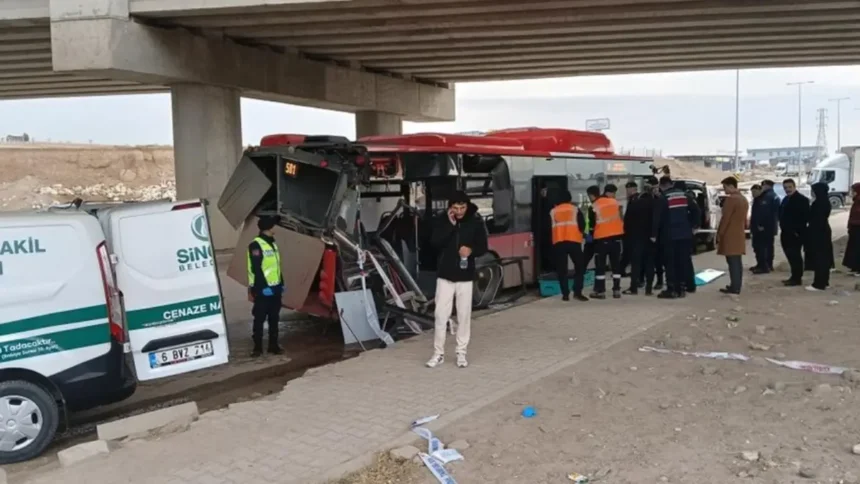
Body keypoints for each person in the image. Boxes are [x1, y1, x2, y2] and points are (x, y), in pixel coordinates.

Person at [426, 191, 488, 369]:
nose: (459, 211)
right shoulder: (442, 220)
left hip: (465, 276)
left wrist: (471, 251)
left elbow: (483, 247)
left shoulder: (475, 221)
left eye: (462, 207)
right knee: (440, 315)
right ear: (450, 207)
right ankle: (438, 353)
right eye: (455, 208)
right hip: (445, 275)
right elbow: (434, 243)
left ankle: (461, 352)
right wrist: (451, 226)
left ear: (467, 206)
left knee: (463, 315)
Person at [652, 176, 699, 299]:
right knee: (683, 261)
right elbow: (696, 211)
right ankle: (683, 288)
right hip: (685, 234)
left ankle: (672, 289)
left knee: (670, 263)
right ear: (671, 184)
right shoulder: (685, 196)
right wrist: (694, 226)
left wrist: (653, 235)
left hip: (669, 235)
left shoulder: (663, 198)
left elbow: (657, 218)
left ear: (661, 186)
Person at [247, 216, 284, 357]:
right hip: (263, 290)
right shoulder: (256, 245)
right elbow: (256, 268)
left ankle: (273, 346)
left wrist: (281, 284)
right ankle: (257, 348)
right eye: (275, 225)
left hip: (275, 288)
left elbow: (276, 267)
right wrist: (262, 288)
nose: (277, 227)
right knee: (260, 318)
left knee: (274, 318)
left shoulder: (273, 244)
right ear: (270, 227)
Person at [549, 190, 589, 302]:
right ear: (569, 199)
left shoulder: (553, 211)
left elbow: (549, 228)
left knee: (562, 269)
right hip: (574, 241)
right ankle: (577, 292)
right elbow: (582, 225)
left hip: (559, 242)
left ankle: (565, 294)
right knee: (580, 267)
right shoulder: (575, 210)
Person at [587, 184, 624, 299]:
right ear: (610, 193)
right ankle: (616, 290)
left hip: (602, 240)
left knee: (600, 266)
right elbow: (621, 219)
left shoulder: (595, 205)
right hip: (616, 239)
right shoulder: (616, 203)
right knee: (616, 265)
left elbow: (592, 225)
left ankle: (600, 291)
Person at [717, 176, 750, 295]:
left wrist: (720, 234)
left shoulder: (731, 200)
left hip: (730, 234)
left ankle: (735, 286)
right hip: (739, 233)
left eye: (725, 187)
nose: (724, 190)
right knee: (736, 261)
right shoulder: (743, 199)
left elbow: (725, 218)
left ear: (731, 186)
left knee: (733, 262)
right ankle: (736, 285)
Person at [621, 180, 651, 295]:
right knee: (646, 262)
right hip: (646, 237)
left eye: (628, 189)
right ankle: (647, 287)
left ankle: (634, 286)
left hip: (634, 237)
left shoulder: (634, 202)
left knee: (636, 262)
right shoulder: (646, 202)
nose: (627, 192)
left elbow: (628, 220)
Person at [779, 178, 810, 286]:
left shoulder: (802, 200)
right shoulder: (786, 199)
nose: (787, 189)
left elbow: (804, 217)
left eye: (789, 187)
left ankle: (797, 278)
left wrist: (796, 231)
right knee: (790, 256)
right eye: (785, 188)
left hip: (795, 234)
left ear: (794, 187)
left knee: (795, 256)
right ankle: (793, 276)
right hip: (785, 232)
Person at [806, 182, 834, 291]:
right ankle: (824, 282)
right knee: (824, 257)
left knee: (820, 257)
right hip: (823, 231)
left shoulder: (819, 203)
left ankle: (818, 284)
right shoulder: (825, 201)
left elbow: (814, 218)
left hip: (818, 232)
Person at [752, 179, 780, 273]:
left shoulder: (768, 197)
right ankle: (764, 264)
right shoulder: (771, 196)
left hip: (765, 227)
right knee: (766, 246)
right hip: (769, 226)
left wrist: (760, 225)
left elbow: (765, 213)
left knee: (763, 247)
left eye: (763, 185)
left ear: (767, 186)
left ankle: (765, 266)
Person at [619, 182, 640, 277]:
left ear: (632, 189)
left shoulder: (635, 199)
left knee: (629, 252)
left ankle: (623, 270)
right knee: (627, 252)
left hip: (632, 231)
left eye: (628, 189)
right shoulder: (631, 199)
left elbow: (631, 217)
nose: (627, 191)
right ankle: (622, 270)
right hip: (630, 231)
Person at [843, 182, 860, 276]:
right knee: (853, 248)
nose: (852, 192)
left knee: (858, 248)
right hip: (854, 227)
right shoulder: (856, 201)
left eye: (854, 191)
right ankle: (854, 267)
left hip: (858, 227)